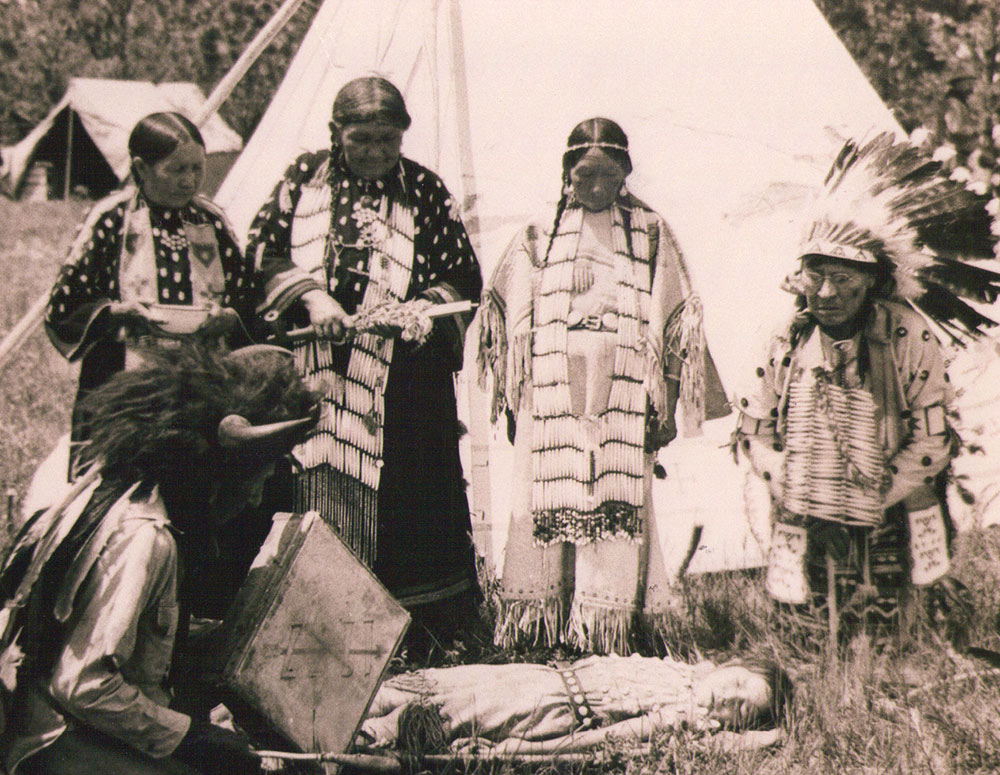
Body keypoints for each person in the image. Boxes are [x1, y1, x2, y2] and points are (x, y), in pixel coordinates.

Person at [0, 345, 320, 775]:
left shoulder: (131, 487)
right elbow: (84, 685)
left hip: (77, 722)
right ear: (223, 471)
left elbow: (138, 637)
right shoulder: (146, 539)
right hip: (57, 741)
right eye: (257, 478)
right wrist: (191, 737)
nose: (257, 498)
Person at [245, 76, 483, 651]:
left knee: (410, 499)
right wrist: (311, 295)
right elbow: (259, 251)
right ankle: (317, 629)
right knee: (315, 482)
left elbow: (462, 276)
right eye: (361, 139)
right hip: (319, 371)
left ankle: (422, 633)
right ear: (336, 134)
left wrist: (421, 310)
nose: (375, 151)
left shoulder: (424, 190)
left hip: (404, 383)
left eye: (387, 139)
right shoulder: (303, 182)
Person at [477, 118, 728, 654]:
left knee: (612, 503)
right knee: (540, 499)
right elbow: (507, 317)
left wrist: (666, 397)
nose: (595, 187)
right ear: (566, 173)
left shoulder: (651, 230)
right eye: (584, 174)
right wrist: (514, 386)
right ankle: (540, 625)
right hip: (550, 397)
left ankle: (605, 629)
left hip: (621, 397)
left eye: (608, 175)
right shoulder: (537, 232)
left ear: (627, 174)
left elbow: (677, 316)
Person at [734, 132, 1000, 637]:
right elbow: (755, 430)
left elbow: (931, 438)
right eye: (816, 278)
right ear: (800, 279)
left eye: (845, 279)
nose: (829, 293)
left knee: (896, 636)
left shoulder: (906, 334)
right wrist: (790, 479)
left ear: (872, 281)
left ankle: (911, 633)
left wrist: (878, 492)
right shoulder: (783, 338)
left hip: (893, 500)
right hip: (805, 501)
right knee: (808, 636)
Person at [45, 112, 255, 478]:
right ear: (141, 168)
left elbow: (248, 296)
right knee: (120, 492)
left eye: (196, 169)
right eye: (177, 170)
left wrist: (229, 318)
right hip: (121, 384)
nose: (189, 181)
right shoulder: (112, 219)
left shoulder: (211, 221)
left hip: (201, 386)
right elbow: (65, 303)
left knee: (194, 488)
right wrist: (116, 312)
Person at [362, 653, 793, 754]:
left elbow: (606, 737)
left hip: (547, 709)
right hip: (535, 676)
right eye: (736, 682)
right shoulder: (677, 668)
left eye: (740, 709)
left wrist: (528, 750)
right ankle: (343, 701)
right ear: (729, 665)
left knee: (438, 715)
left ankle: (355, 739)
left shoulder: (682, 715)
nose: (727, 697)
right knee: (424, 688)